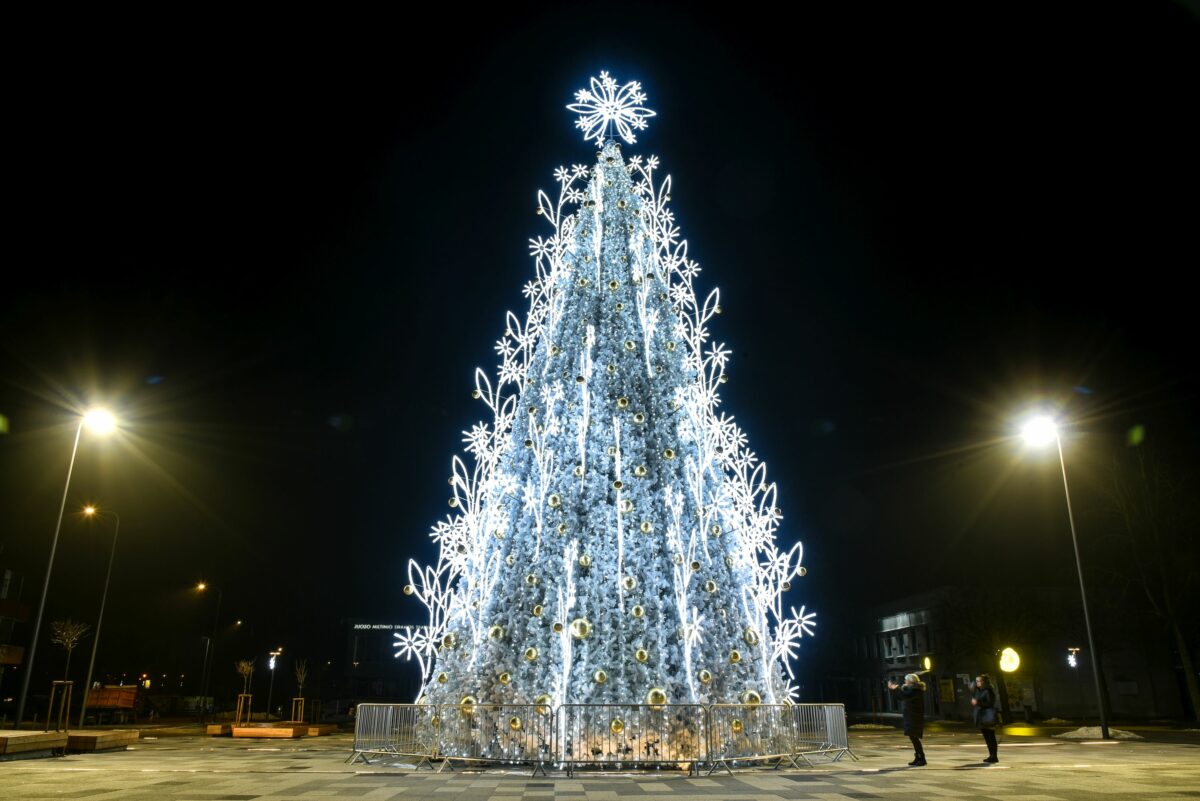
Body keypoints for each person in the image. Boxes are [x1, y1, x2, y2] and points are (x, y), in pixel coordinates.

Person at [887, 673, 927, 766]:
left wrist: (896, 688)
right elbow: (900, 697)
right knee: (913, 737)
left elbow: (905, 696)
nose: (904, 681)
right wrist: (893, 689)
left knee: (914, 737)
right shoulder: (910, 690)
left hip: (915, 716)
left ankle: (921, 758)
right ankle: (918, 757)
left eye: (906, 680)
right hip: (910, 716)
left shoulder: (916, 690)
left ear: (910, 681)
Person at [971, 674, 1000, 763]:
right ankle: (991, 755)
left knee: (991, 736)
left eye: (979, 681)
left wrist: (977, 702)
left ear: (984, 682)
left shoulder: (988, 691)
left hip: (988, 716)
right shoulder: (980, 690)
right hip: (982, 717)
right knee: (987, 737)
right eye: (976, 681)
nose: (977, 683)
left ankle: (994, 756)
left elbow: (990, 703)